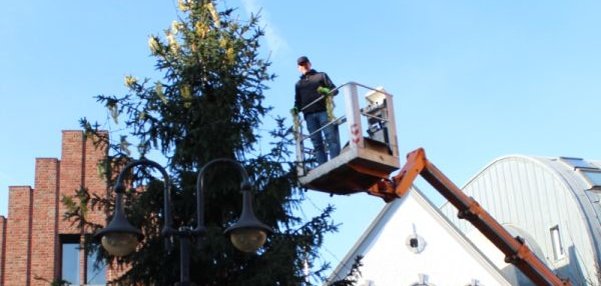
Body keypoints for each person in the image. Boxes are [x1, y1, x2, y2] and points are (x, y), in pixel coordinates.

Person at [293, 56, 340, 165]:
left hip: (323, 111)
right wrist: (295, 108)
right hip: (309, 116)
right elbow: (298, 101)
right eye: (301, 65)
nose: (304, 66)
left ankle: (335, 163)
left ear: (310, 64)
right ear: (298, 68)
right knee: (317, 144)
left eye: (305, 63)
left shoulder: (321, 76)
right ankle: (323, 166)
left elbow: (334, 90)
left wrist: (326, 91)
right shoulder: (298, 84)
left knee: (331, 138)